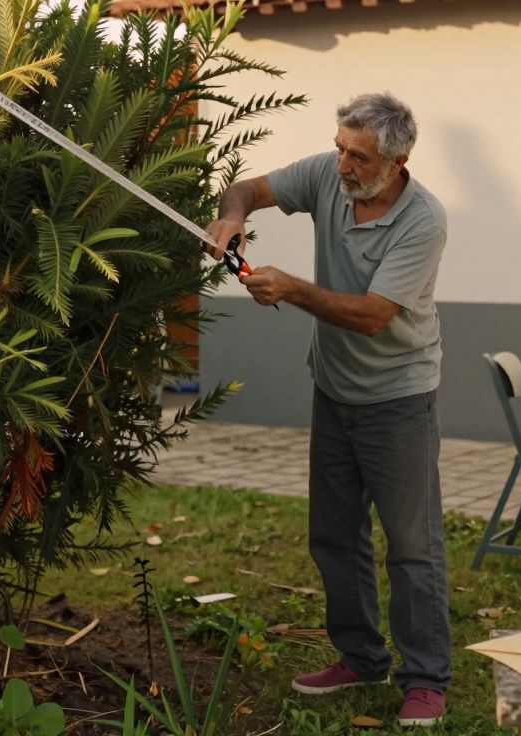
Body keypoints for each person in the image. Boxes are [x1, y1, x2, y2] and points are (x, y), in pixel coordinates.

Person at [202, 93, 450, 727]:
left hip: (399, 398)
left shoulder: (424, 220)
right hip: (334, 392)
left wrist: (292, 288)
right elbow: (246, 190)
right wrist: (230, 219)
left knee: (411, 547)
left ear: (397, 162)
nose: (341, 164)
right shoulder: (326, 174)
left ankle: (425, 677)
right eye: (340, 147)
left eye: (357, 155)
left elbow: (372, 316)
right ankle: (361, 657)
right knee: (334, 535)